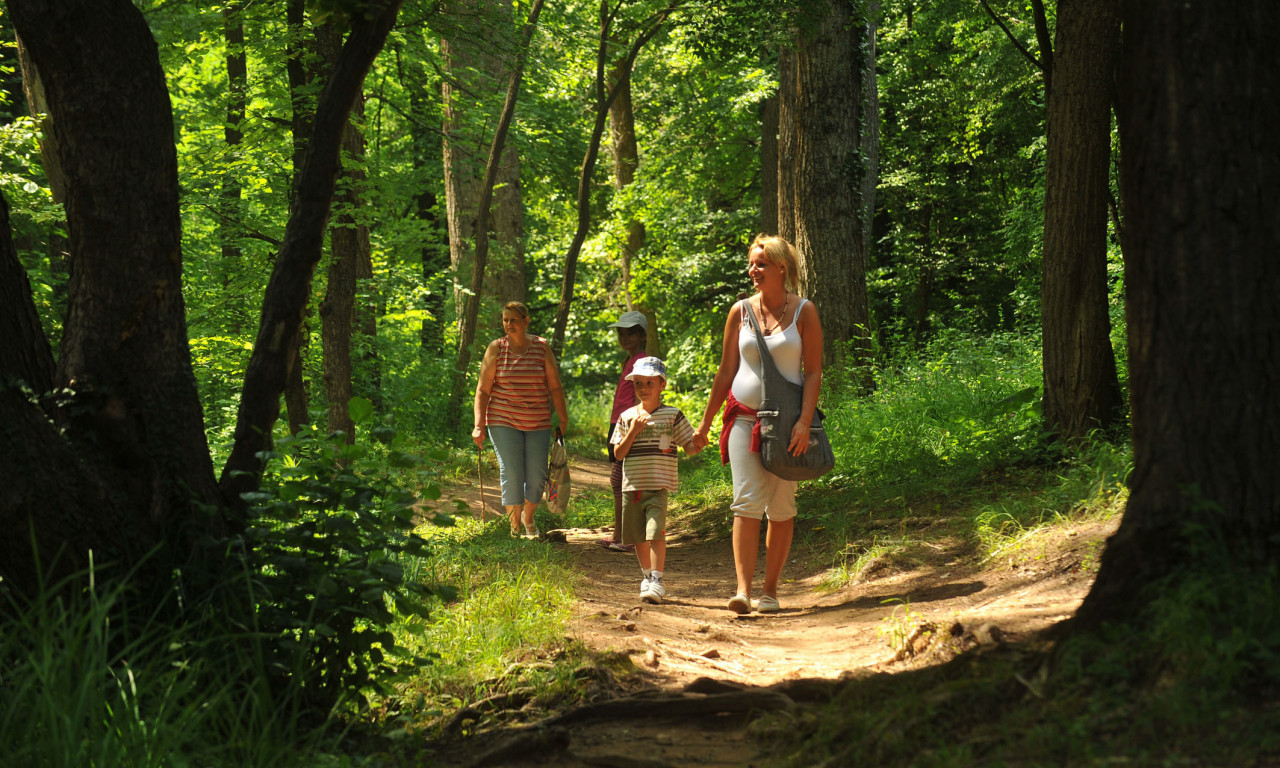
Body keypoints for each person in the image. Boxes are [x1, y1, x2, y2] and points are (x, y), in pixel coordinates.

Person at [690, 234, 823, 614]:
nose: (753, 270)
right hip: (744, 420)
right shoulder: (740, 312)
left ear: (782, 267)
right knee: (746, 501)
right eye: (752, 264)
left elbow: (813, 373)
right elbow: (725, 371)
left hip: (787, 427)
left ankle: (770, 591)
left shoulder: (804, 312)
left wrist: (804, 422)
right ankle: (742, 591)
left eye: (761, 264)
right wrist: (704, 424)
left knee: (781, 506)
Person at [472, 301, 570, 538]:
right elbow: (483, 390)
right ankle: (515, 527)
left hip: (537, 421)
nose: (508, 325)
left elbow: (555, 387)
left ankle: (528, 517)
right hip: (502, 419)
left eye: (513, 320)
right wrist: (478, 425)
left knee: (537, 477)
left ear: (526, 322)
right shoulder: (496, 349)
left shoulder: (541, 348)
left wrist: (563, 418)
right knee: (512, 472)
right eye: (505, 320)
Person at [611, 356, 703, 603]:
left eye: (649, 383)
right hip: (632, 486)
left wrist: (699, 443)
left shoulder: (672, 415)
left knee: (655, 534)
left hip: (658, 486)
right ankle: (647, 576)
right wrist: (633, 431)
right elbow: (618, 454)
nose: (643, 389)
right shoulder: (627, 416)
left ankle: (658, 581)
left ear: (662, 384)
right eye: (638, 383)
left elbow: (690, 448)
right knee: (638, 537)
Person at [598, 310, 650, 552]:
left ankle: (626, 537)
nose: (624, 337)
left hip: (629, 424)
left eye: (630, 333)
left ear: (641, 335)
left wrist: (636, 423)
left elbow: (645, 396)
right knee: (619, 479)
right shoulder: (631, 360)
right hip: (619, 423)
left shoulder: (641, 361)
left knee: (623, 479)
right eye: (621, 333)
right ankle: (620, 534)